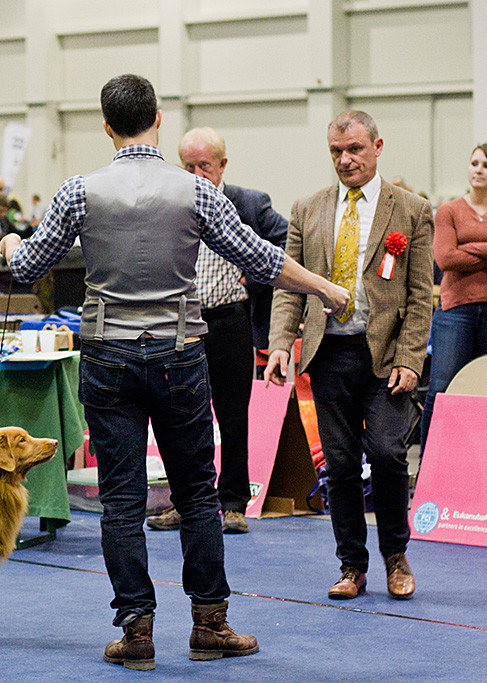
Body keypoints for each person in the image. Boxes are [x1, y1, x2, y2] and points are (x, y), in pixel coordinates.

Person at [1, 74, 348, 669]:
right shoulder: (196, 192)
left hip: (108, 355)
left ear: (107, 126)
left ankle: (136, 632)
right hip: (180, 353)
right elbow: (258, 257)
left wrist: (9, 246)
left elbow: (28, 265)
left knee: (121, 501)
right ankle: (209, 623)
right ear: (158, 119)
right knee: (196, 496)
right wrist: (323, 287)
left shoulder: (78, 191)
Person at [264, 110, 434, 602]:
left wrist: (410, 358)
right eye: (336, 151)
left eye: (355, 149)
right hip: (328, 353)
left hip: (386, 358)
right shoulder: (306, 209)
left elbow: (421, 295)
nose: (345, 160)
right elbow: (287, 288)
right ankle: (351, 566)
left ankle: (396, 555)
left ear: (377, 147)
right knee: (338, 465)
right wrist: (280, 344)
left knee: (387, 452)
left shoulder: (412, 210)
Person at [147, 126, 289, 535]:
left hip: (229, 321)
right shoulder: (172, 200)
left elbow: (286, 241)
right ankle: (186, 502)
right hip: (181, 324)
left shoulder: (248, 202)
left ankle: (232, 503)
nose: (195, 173)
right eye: (187, 165)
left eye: (203, 165)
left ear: (222, 164)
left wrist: (256, 276)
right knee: (179, 419)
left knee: (232, 416)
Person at [421, 143, 487, 449]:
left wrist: (465, 248)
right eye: (475, 163)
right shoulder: (449, 211)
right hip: (456, 311)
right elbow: (444, 259)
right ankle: (430, 460)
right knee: (441, 388)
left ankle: (484, 457)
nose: (479, 170)